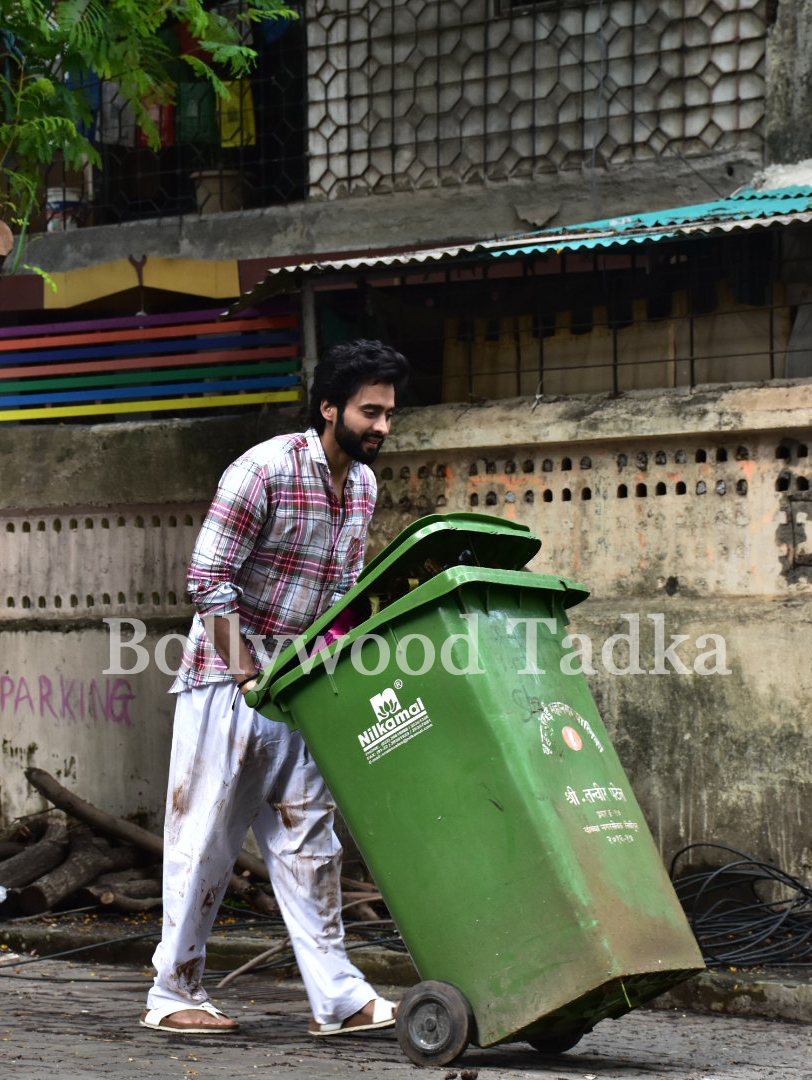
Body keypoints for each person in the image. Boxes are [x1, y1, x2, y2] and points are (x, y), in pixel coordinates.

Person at [140, 339, 410, 1035]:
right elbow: (208, 579)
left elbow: (342, 593)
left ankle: (339, 1000)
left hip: (299, 688)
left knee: (310, 845)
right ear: (329, 408)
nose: (382, 426)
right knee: (204, 841)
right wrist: (248, 671)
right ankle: (172, 993)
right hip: (227, 682)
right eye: (369, 411)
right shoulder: (263, 470)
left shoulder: (364, 488)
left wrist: (326, 672)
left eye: (388, 413)